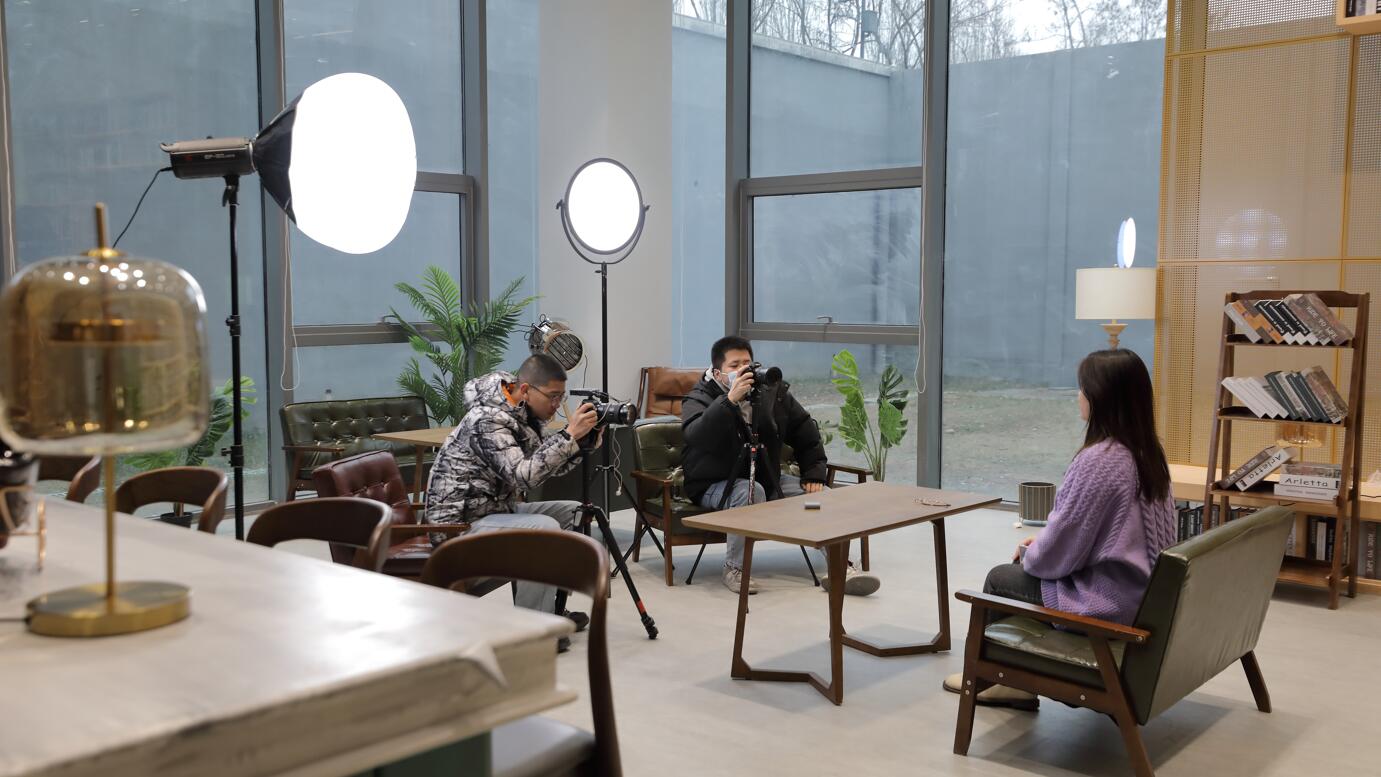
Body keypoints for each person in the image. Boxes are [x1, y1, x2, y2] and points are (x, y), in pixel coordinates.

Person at [943, 348, 1177, 710]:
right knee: (1025, 564)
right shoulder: (1148, 453)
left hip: (1108, 605)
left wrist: (1031, 552)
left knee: (1001, 578)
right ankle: (1010, 680)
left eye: (1083, 388)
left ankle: (995, 681)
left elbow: (1054, 555)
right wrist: (1043, 542)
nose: (1078, 395)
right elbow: (1109, 535)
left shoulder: (1100, 461)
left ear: (1100, 398)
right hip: (1140, 597)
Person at [680, 335, 881, 596]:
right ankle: (735, 569)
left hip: (765, 476)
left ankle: (841, 568)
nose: (743, 370)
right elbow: (697, 436)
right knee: (749, 492)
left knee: (824, 497)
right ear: (718, 373)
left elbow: (804, 430)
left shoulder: (769, 392)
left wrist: (814, 473)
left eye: (747, 363)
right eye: (734, 365)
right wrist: (729, 401)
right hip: (713, 482)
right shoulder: (698, 397)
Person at [426, 353, 601, 648]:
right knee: (543, 529)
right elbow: (523, 476)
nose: (557, 404)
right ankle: (532, 632)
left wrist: (582, 444)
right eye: (553, 396)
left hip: (494, 511)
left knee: (574, 513)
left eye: (561, 396)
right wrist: (568, 436)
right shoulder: (486, 420)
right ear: (526, 390)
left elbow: (544, 466)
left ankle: (550, 609)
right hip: (458, 525)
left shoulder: (525, 415)